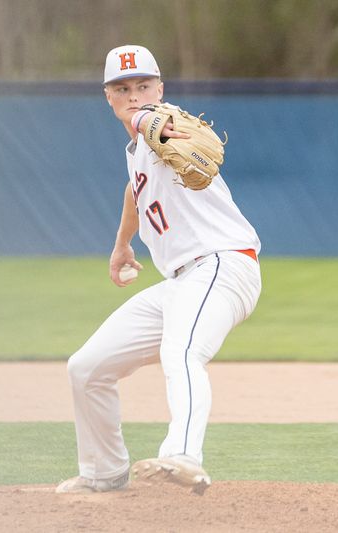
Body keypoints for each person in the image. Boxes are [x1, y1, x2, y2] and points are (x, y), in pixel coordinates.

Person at [56, 44, 262, 494]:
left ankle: (184, 455)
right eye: (123, 88)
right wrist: (122, 245)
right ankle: (104, 471)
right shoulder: (136, 152)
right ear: (107, 96)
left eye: (143, 85)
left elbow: (162, 130)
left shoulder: (161, 125)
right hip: (182, 282)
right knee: (87, 368)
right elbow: (135, 192)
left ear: (160, 89)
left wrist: (152, 121)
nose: (134, 95)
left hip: (223, 264)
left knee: (182, 353)